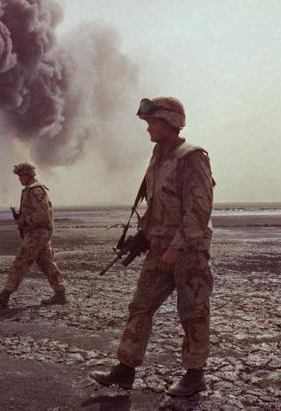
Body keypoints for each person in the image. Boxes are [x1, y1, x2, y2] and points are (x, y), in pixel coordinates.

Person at [90, 97, 215, 397]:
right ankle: (125, 369)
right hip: (159, 248)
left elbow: (199, 210)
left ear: (171, 122)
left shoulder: (191, 157)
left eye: (152, 123)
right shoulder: (158, 156)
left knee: (193, 311)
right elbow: (157, 205)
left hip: (187, 252)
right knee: (140, 306)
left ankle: (195, 374)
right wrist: (142, 234)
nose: (148, 129)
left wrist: (177, 247)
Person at [0, 163, 67, 307]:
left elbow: (42, 215)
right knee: (47, 264)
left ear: (28, 175)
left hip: (38, 233)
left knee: (21, 261)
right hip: (39, 233)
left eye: (21, 176)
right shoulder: (30, 190)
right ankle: (60, 294)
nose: (19, 179)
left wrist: (24, 221)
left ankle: (5, 294)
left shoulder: (35, 190)